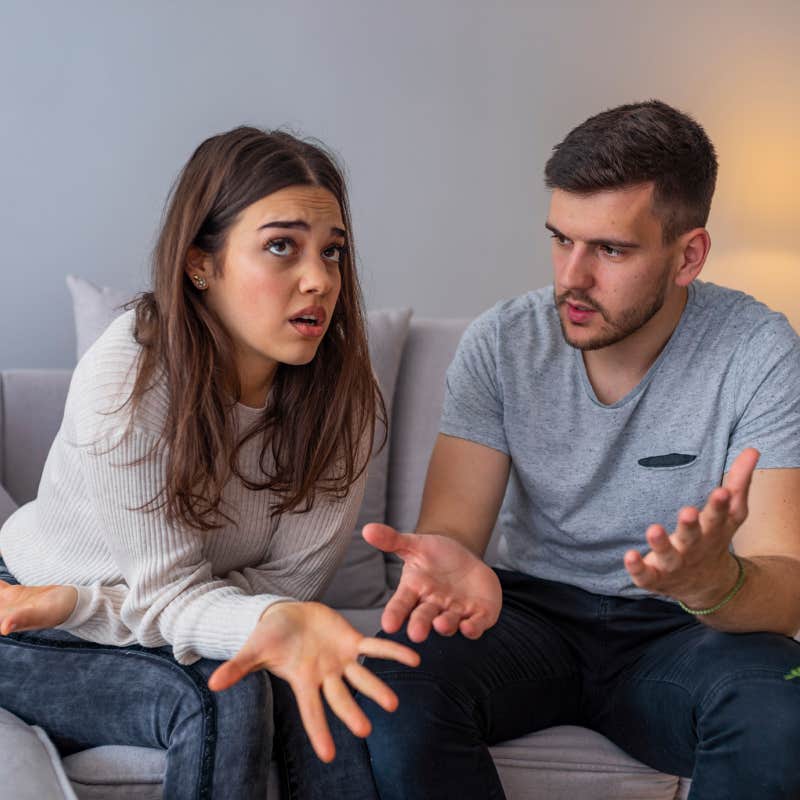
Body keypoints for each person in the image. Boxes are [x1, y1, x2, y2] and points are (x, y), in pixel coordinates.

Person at [351, 100, 800, 799]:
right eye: (562, 240)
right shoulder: (503, 343)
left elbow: (786, 585)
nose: (572, 277)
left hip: (682, 630)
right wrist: (450, 562)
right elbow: (451, 535)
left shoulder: (758, 351)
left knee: (781, 709)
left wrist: (713, 582)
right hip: (529, 616)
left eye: (610, 250)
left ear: (688, 255)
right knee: (389, 680)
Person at [0, 126, 418, 800]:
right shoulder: (130, 377)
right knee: (228, 692)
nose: (319, 280)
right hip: (24, 619)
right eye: (282, 247)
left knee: (317, 678)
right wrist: (80, 602)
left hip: (80, 606)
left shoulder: (347, 406)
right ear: (201, 263)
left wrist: (86, 602)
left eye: (332, 252)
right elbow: (186, 601)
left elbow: (288, 589)